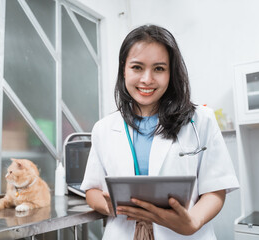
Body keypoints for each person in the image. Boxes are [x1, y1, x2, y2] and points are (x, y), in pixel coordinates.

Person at [80, 24, 239, 240]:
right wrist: (115, 206)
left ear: (171, 73)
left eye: (159, 68)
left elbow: (215, 189)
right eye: (137, 67)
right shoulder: (104, 128)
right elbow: (92, 190)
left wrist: (192, 223)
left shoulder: (200, 120)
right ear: (123, 69)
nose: (147, 79)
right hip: (124, 232)